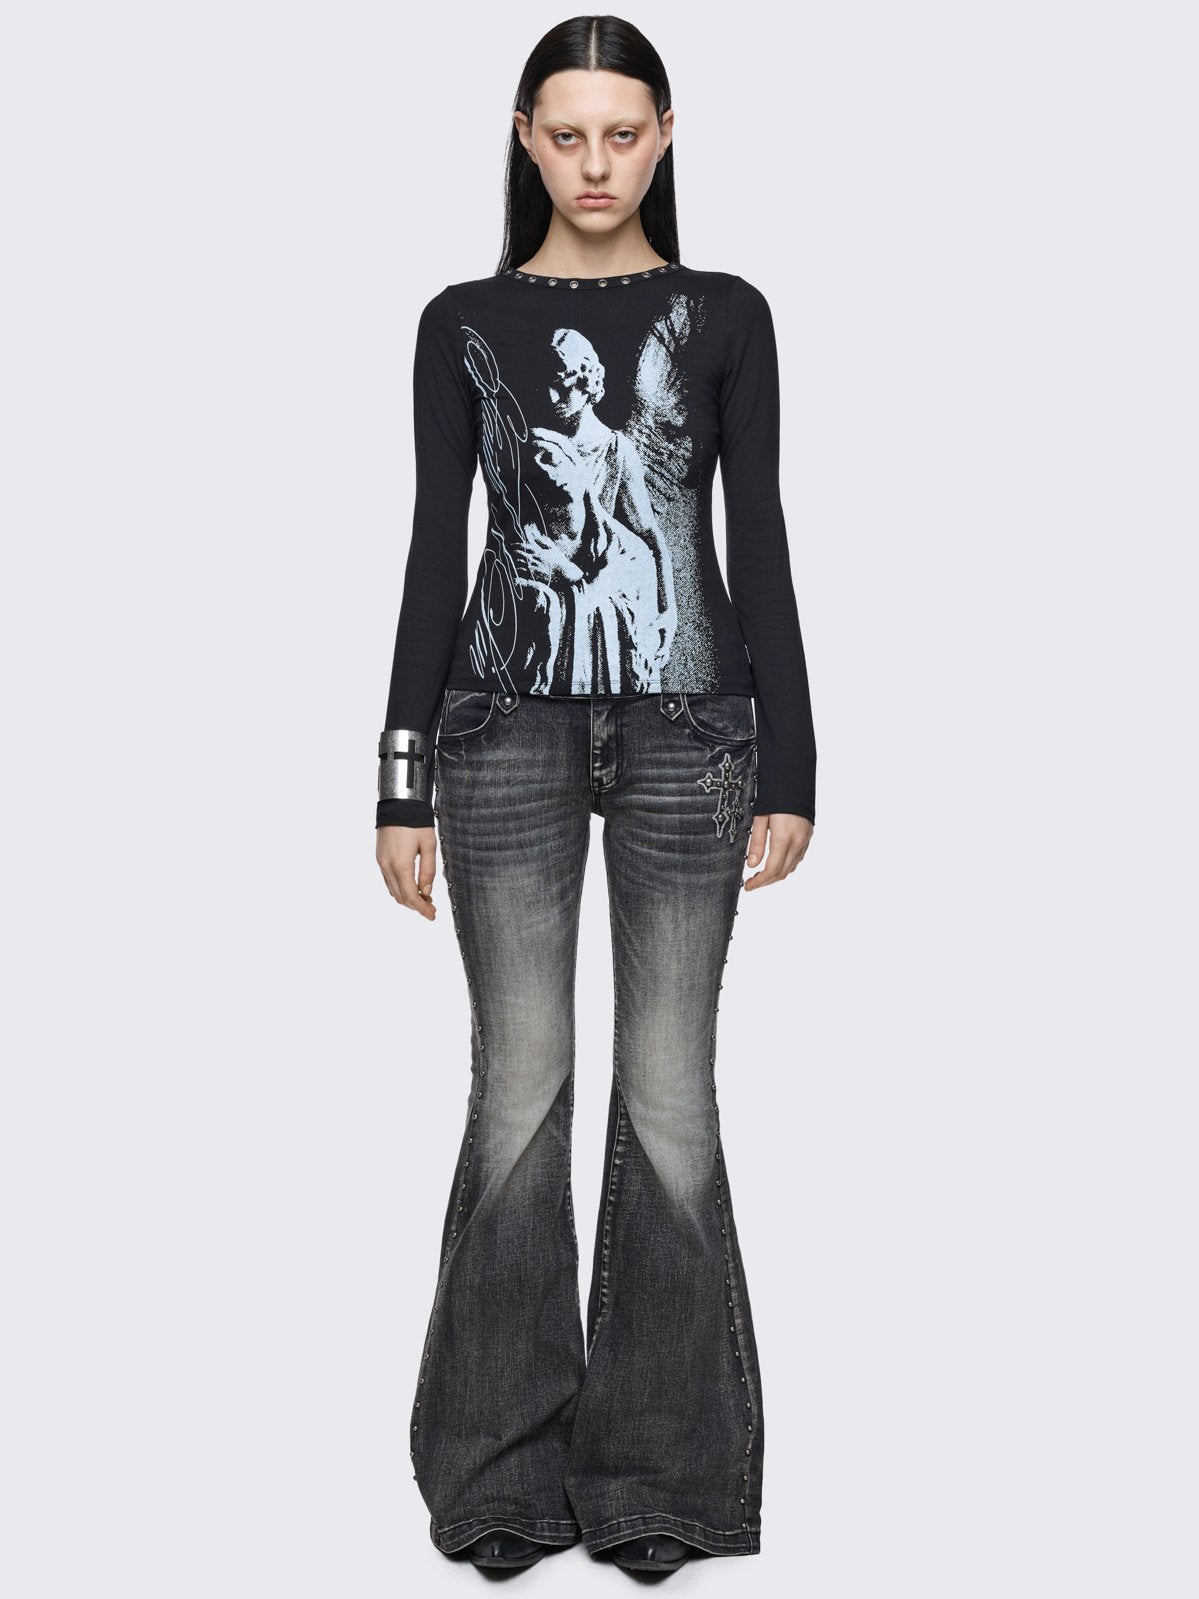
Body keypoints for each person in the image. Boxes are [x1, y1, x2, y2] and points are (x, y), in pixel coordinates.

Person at [375, 15, 816, 1577]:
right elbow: (437, 542)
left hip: (695, 731)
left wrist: (794, 756)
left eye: (622, 134)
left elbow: (756, 530)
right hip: (500, 727)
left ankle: (664, 1478)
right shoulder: (463, 323)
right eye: (566, 135)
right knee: (520, 1085)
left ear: (666, 135)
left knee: (671, 1088)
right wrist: (399, 775)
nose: (596, 164)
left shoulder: (728, 315)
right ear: (525, 138)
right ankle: (500, 1470)